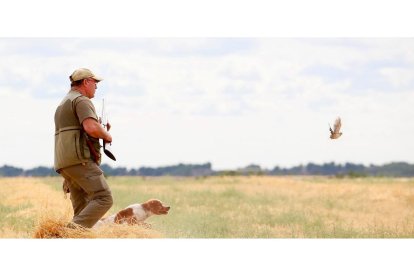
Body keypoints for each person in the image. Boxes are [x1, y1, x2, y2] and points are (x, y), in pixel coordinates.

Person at [54, 68, 113, 228]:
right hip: (80, 160)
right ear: (86, 82)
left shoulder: (63, 103)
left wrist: (98, 127)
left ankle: (74, 239)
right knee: (104, 198)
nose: (96, 86)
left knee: (82, 210)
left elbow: (80, 129)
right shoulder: (82, 101)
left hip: (66, 164)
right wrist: (107, 135)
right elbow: (91, 127)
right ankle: (64, 236)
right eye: (95, 82)